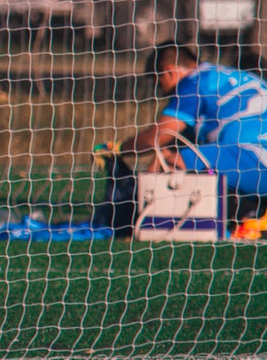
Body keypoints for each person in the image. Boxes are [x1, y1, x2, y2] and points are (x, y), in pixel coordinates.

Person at [93, 42, 267, 235]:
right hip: (254, 158)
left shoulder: (194, 82)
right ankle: (252, 218)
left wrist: (117, 148)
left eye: (158, 82)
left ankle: (142, 221)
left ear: (168, 71)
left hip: (256, 156)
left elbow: (157, 138)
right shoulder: (227, 76)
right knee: (192, 161)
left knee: (167, 160)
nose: (161, 91)